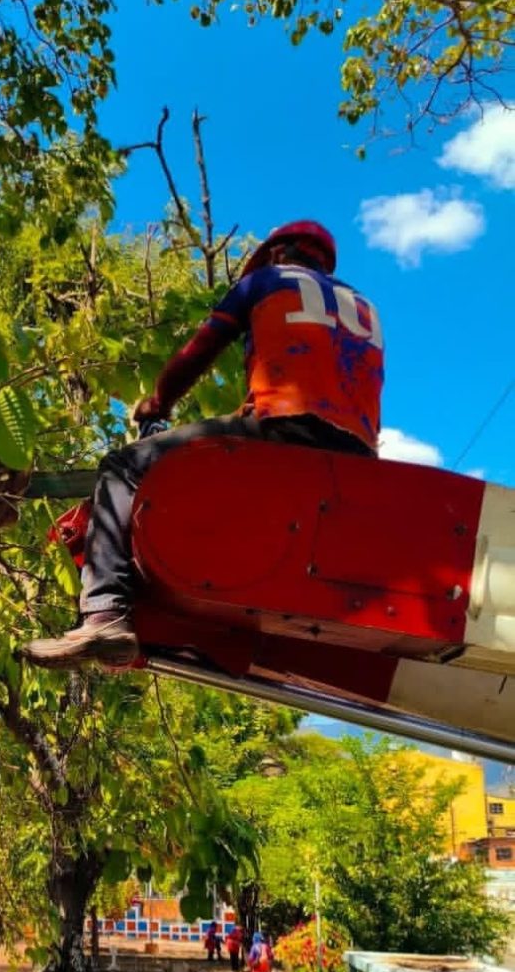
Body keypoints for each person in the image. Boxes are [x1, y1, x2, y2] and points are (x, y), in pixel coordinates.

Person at [23, 220, 384, 670]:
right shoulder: (365, 308)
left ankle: (105, 614)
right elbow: (329, 384)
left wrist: (157, 402)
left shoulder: (266, 281)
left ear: (276, 254)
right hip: (357, 456)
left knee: (122, 466)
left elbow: (198, 352)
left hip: (285, 430)